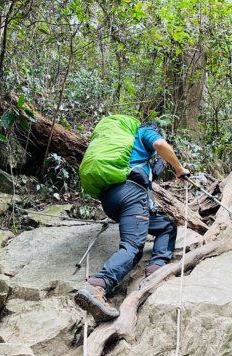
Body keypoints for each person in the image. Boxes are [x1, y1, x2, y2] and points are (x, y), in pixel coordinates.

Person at [74, 122, 189, 322]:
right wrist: (179, 168)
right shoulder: (144, 132)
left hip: (110, 198)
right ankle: (97, 285)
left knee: (166, 226)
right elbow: (161, 145)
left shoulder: (129, 152)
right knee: (133, 247)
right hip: (131, 194)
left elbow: (148, 169)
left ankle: (156, 269)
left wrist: (157, 167)